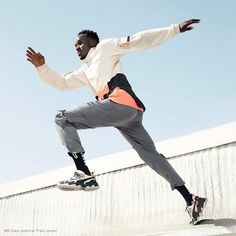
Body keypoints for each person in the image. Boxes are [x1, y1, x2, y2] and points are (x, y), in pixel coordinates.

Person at [26, 19, 207, 224]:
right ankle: (191, 199)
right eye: (75, 45)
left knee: (62, 118)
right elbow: (62, 83)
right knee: (152, 157)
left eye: (81, 43)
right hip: (128, 115)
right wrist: (42, 68)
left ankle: (84, 173)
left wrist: (173, 30)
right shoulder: (84, 71)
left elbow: (138, 40)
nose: (77, 47)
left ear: (92, 43)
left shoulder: (105, 48)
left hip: (119, 103)